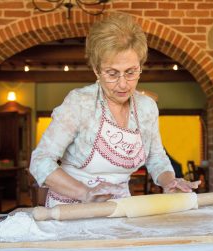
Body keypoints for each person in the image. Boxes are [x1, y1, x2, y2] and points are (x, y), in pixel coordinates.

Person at [29, 13, 199, 208]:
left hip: (120, 207)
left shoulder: (147, 108)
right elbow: (41, 161)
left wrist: (170, 182)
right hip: (72, 208)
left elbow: (156, 158)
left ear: (140, 66)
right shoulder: (79, 103)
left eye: (131, 72)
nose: (122, 84)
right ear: (96, 70)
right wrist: (85, 193)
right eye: (112, 73)